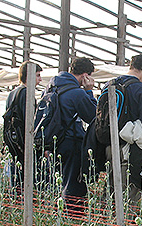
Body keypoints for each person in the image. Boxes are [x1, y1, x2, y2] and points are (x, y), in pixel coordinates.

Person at [46, 57, 97, 215]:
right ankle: (72, 220)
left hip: (53, 143)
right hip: (71, 143)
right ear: (84, 75)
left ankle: (57, 216)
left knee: (57, 182)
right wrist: (89, 91)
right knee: (73, 185)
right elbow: (93, 115)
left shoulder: (51, 87)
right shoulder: (76, 93)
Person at [105, 54, 142, 204]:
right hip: (130, 150)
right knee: (129, 192)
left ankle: (109, 220)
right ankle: (124, 225)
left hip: (109, 145)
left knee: (112, 188)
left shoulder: (108, 85)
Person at [5, 61, 43, 190]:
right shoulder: (26, 93)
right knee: (27, 178)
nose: (40, 79)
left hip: (14, 143)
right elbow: (30, 122)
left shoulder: (12, 93)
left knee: (16, 176)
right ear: (29, 76)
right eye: (37, 75)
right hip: (24, 144)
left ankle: (17, 202)